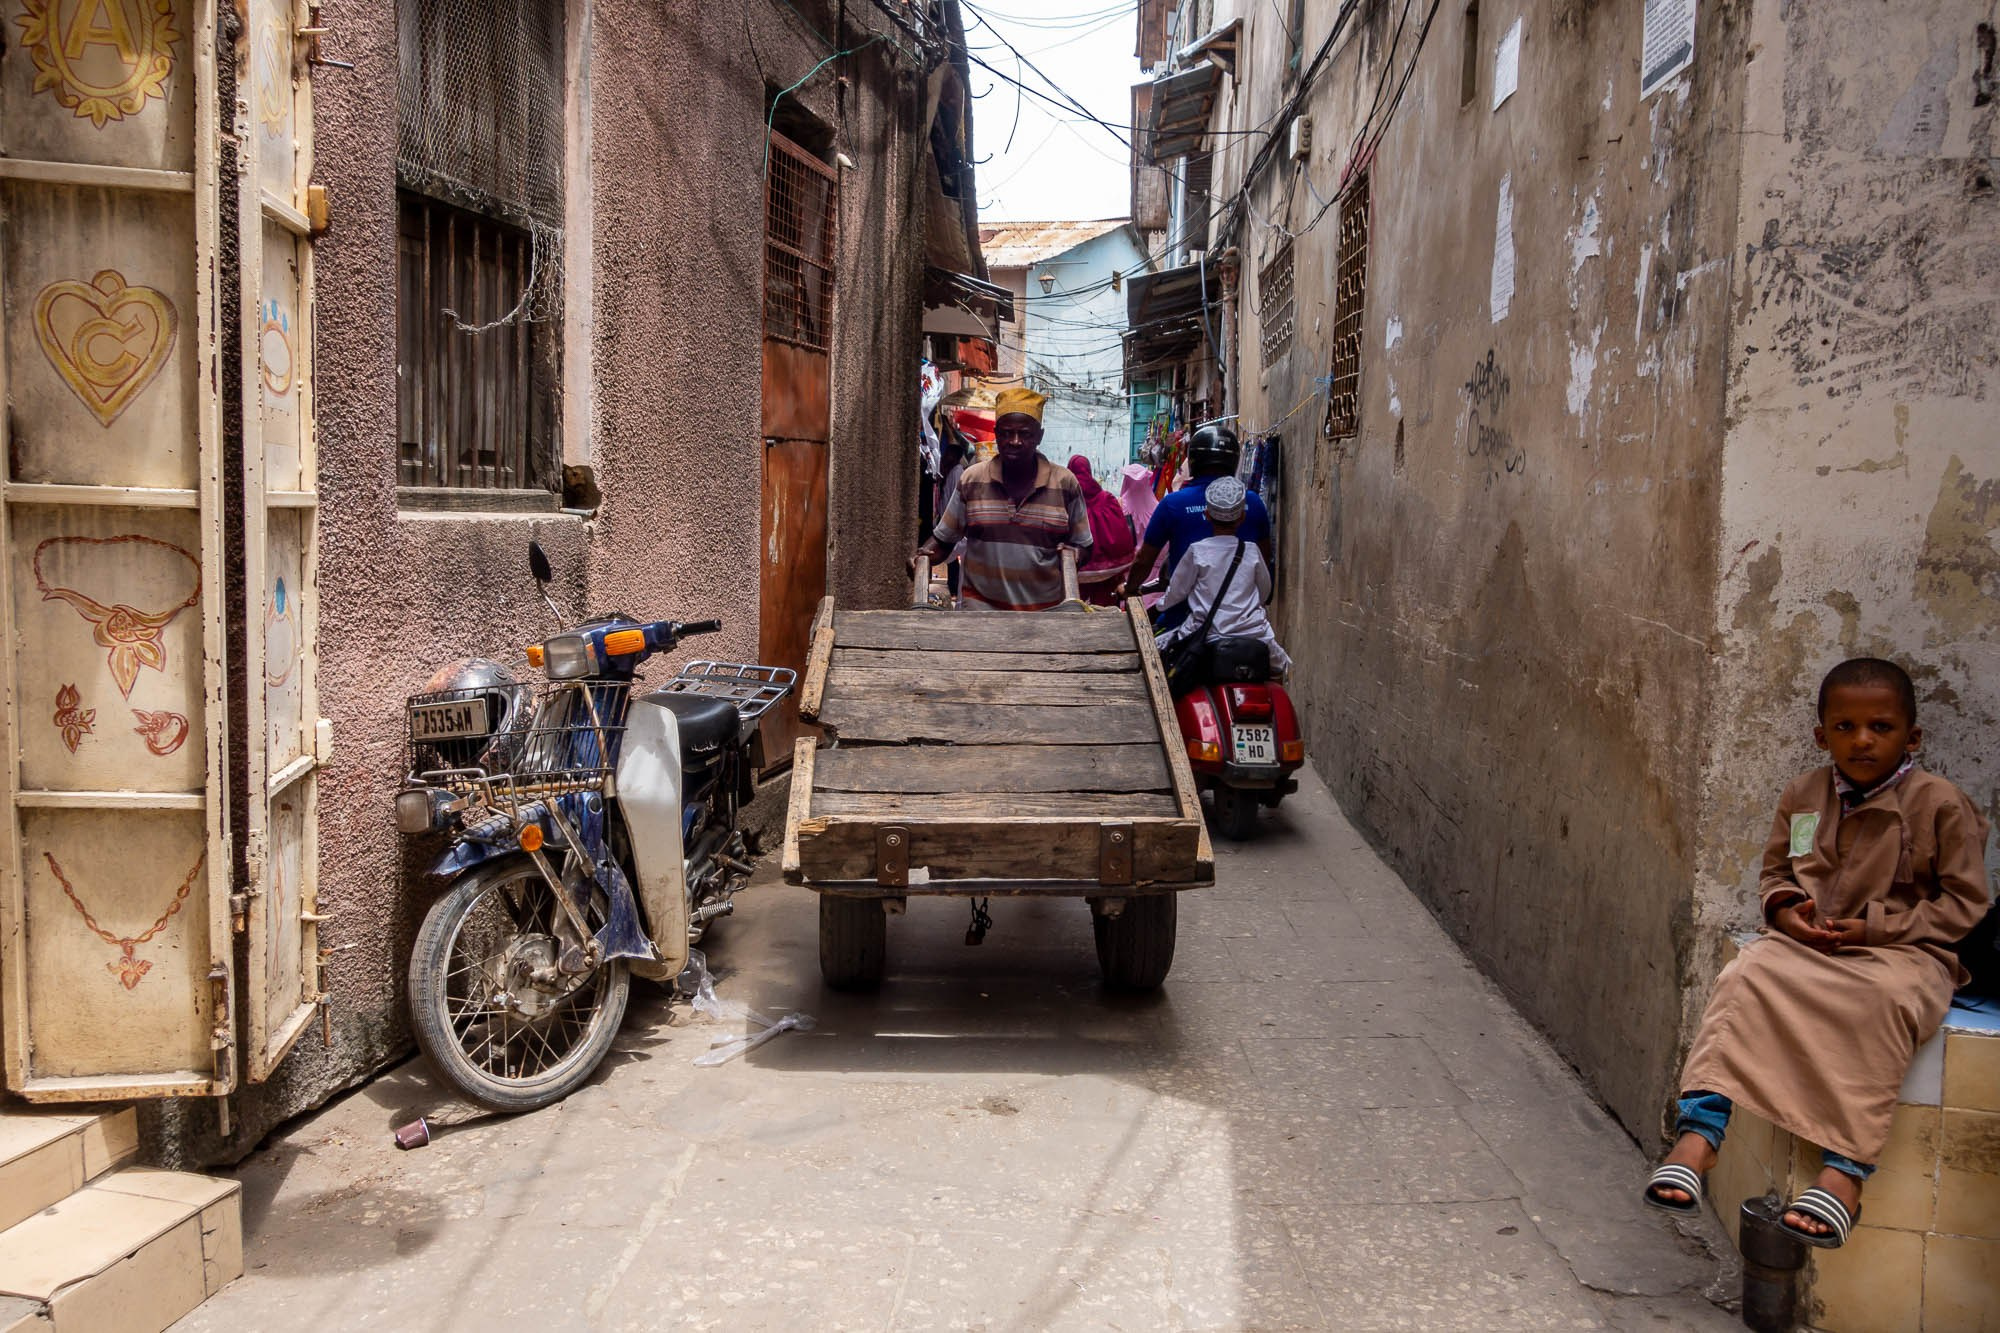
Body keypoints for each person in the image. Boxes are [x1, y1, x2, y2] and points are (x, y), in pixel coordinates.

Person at [1641, 658, 1990, 1249]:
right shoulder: (1804, 794)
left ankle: (1846, 1172)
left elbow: (1965, 904)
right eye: (1845, 726)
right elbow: (1777, 872)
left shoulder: (1940, 804)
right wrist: (1786, 914)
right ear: (1820, 734)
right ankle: (1698, 1136)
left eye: (1880, 727)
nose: (1861, 740)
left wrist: (1874, 930)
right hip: (1813, 947)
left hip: (1905, 954)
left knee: (1887, 1001)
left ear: (1912, 737)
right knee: (1747, 973)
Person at [913, 386, 1091, 611]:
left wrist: (1077, 555)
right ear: (996, 434)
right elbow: (944, 540)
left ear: (1039, 436)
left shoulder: (1065, 484)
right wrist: (923, 557)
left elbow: (1084, 545)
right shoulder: (972, 480)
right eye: (1006, 433)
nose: (1015, 441)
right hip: (980, 615)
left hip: (1046, 616)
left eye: (1025, 434)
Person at [1121, 424, 1272, 624]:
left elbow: (1144, 560)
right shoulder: (1252, 502)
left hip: (1185, 620)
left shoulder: (1173, 504)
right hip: (1243, 623)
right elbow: (1266, 576)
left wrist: (1130, 589)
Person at [1155, 477, 1291, 678]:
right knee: (1280, 670)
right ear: (1242, 518)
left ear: (1207, 515)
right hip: (1255, 635)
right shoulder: (1252, 551)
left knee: (1156, 656)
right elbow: (1264, 591)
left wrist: (1160, 605)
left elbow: (1178, 592)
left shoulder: (1197, 551)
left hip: (1206, 635)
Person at [1067, 455, 1137, 606]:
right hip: (1107, 576)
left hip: (1075, 576)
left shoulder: (1066, 500)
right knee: (1106, 609)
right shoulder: (1107, 499)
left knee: (1076, 610)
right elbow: (1121, 534)